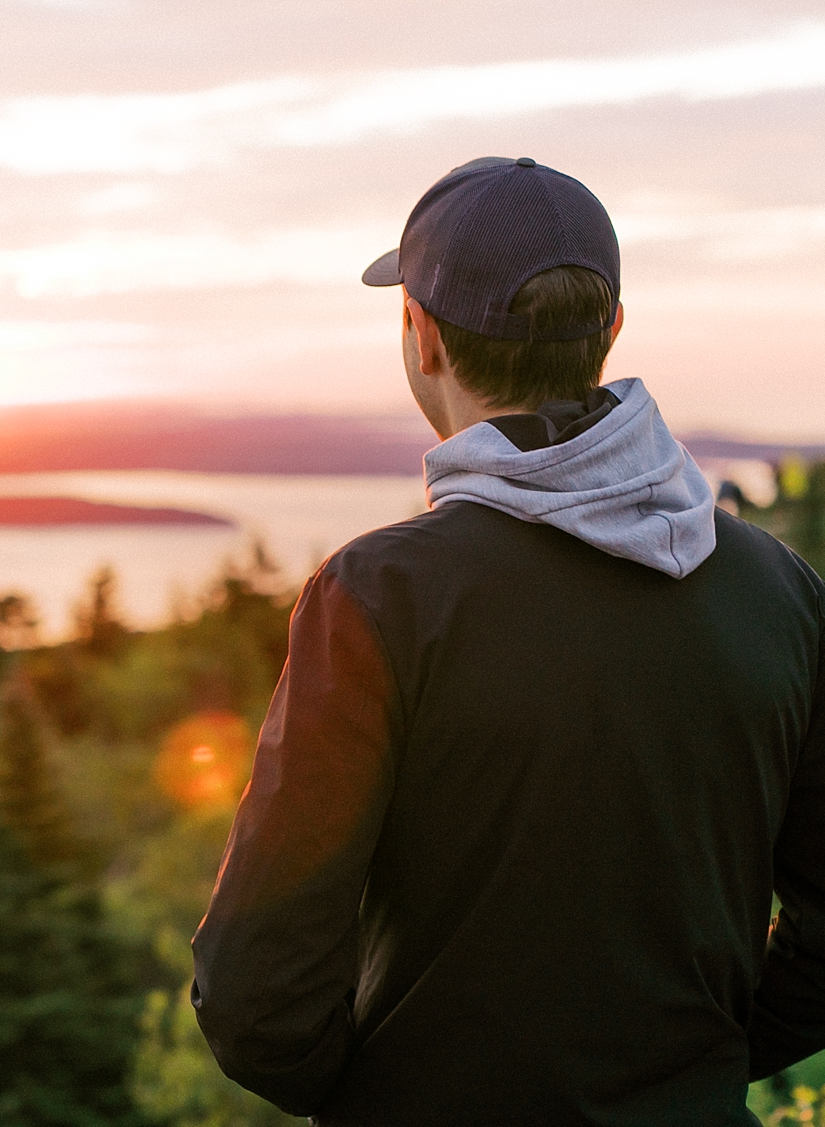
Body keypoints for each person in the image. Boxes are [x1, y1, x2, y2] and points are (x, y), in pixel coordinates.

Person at [190, 156, 825, 1126]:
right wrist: (707, 1058)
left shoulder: (380, 598)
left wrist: (381, 1089)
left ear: (422, 336)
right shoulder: (779, 591)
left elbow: (252, 992)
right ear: (611, 330)